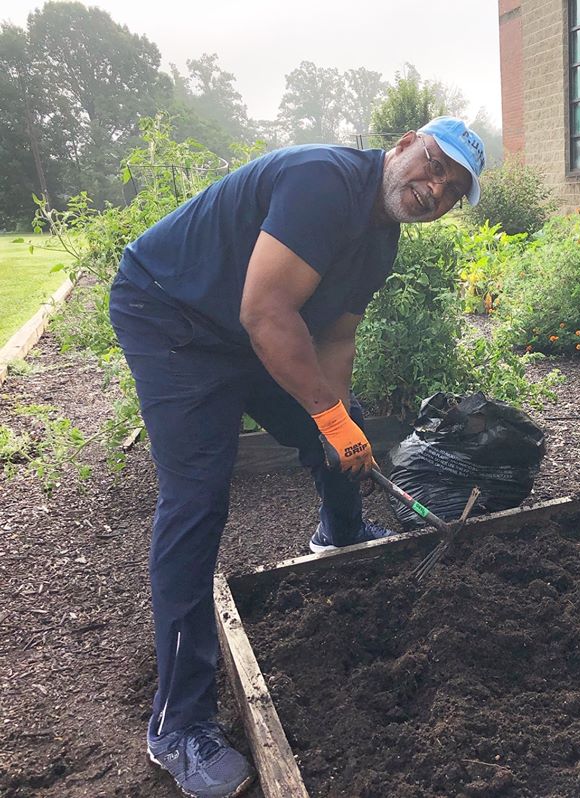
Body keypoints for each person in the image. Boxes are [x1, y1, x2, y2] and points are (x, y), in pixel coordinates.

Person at [109, 116, 485, 798]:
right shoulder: (324, 181)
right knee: (197, 500)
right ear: (402, 145)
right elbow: (266, 313)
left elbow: (335, 339)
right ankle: (178, 724)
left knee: (345, 427)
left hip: (245, 323)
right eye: (434, 165)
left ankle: (337, 534)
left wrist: (338, 427)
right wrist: (326, 418)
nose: (435, 188)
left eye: (454, 189)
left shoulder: (382, 242)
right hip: (173, 316)